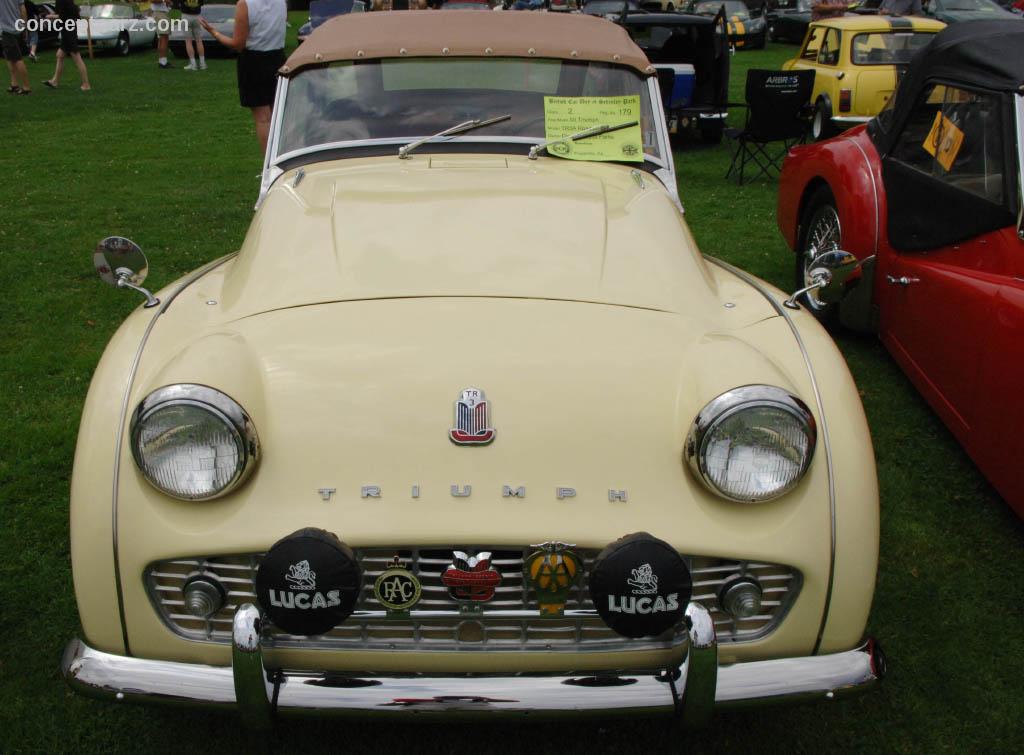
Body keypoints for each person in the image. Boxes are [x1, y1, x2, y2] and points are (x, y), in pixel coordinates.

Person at [201, 0, 286, 153]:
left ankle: (269, 169)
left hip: (254, 61)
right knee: (276, 116)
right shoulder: (280, 2)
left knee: (263, 119)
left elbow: (237, 44)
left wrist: (214, 32)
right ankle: (281, 161)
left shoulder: (245, 4)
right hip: (278, 59)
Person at [43, 0, 89, 90]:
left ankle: (86, 84)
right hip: (69, 31)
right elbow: (75, 13)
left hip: (68, 33)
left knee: (77, 58)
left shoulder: (61, 1)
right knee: (60, 55)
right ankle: (55, 81)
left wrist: (50, 16)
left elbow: (63, 17)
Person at [1, 0, 31, 93]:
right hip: (17, 29)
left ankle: (26, 87)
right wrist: (24, 27)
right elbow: (23, 9)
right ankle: (14, 84)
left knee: (17, 59)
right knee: (10, 58)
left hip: (7, 30)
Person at [180, 0, 207, 70]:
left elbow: (177, 4)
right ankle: (202, 63)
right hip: (197, 16)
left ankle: (193, 64)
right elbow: (201, 3)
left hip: (186, 16)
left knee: (188, 41)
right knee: (199, 40)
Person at [151, 0, 173, 68]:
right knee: (164, 37)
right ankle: (163, 62)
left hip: (162, 13)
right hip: (160, 14)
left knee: (162, 38)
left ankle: (162, 60)